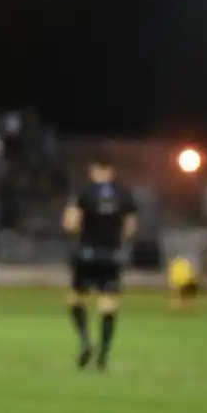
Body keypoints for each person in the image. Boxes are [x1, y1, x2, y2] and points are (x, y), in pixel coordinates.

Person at [62, 155, 137, 371]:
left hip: (86, 253)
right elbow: (130, 227)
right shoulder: (124, 194)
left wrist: (81, 233)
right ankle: (104, 353)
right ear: (112, 171)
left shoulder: (84, 193)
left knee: (76, 298)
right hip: (111, 255)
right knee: (108, 303)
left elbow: (71, 223)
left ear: (94, 170)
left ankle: (85, 340)